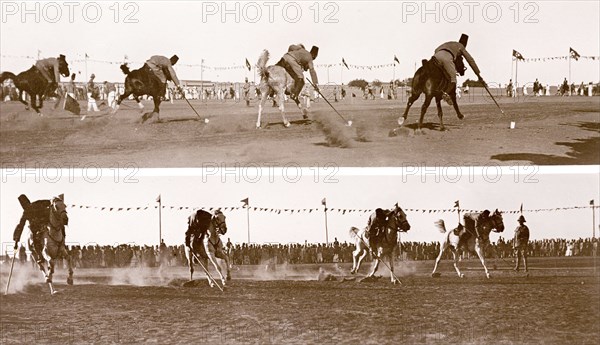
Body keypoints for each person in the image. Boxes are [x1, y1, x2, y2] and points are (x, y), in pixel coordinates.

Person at [13, 194, 67, 267]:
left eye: (25, 204)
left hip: (46, 222)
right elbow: (20, 226)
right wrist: (16, 240)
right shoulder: (25, 213)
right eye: (23, 205)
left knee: (60, 227)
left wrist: (55, 201)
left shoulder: (36, 204)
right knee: (34, 241)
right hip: (35, 228)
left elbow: (49, 202)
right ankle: (40, 257)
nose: (25, 206)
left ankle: (62, 244)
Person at [433, 34, 482, 105]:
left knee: (443, 75)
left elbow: (436, 50)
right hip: (446, 57)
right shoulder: (461, 47)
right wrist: (478, 74)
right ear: (465, 44)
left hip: (435, 56)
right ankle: (446, 94)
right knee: (453, 79)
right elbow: (470, 61)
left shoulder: (451, 43)